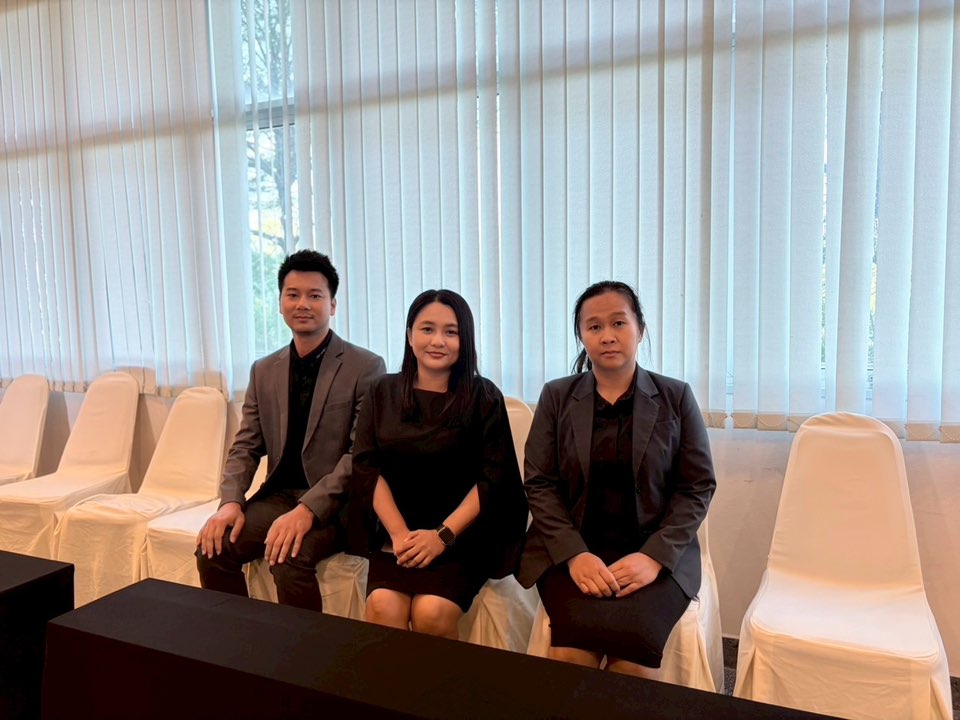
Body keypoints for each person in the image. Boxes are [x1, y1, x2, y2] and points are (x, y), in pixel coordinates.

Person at [516, 280, 716, 678]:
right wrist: (574, 554)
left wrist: (654, 557)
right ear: (581, 336)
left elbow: (696, 487)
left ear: (640, 329)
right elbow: (539, 483)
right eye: (594, 326)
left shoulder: (675, 396)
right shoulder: (557, 396)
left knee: (633, 661)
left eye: (618, 323)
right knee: (571, 654)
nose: (607, 335)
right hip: (572, 550)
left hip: (652, 554)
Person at [196, 249, 385, 611]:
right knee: (213, 550)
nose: (302, 304)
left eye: (315, 295)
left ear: (332, 305)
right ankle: (238, 641)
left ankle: (302, 649)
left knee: (288, 558)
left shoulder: (366, 366)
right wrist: (231, 502)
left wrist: (308, 509)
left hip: (337, 505)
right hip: (280, 497)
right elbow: (246, 445)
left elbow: (360, 456)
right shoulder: (264, 369)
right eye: (292, 294)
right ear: (280, 302)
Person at [348, 289, 528, 639]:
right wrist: (400, 535)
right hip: (397, 533)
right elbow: (367, 468)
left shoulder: (483, 396)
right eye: (427, 329)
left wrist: (441, 537)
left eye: (451, 332)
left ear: (465, 339)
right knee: (383, 606)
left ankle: (439, 679)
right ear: (409, 335)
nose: (438, 341)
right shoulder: (381, 392)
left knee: (432, 612)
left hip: (462, 535)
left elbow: (493, 478)